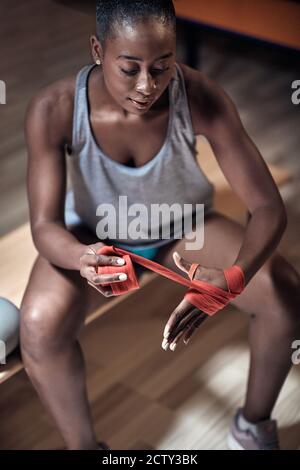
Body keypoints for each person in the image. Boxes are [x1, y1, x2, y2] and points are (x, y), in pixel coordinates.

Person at [21, 0, 300, 450]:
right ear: (97, 49)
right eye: (129, 69)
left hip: (183, 229)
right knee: (38, 325)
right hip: (97, 235)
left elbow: (268, 206)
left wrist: (234, 277)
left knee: (284, 294)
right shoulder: (54, 108)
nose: (147, 85)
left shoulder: (199, 95)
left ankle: (252, 427)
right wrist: (82, 258)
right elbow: (44, 225)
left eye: (162, 66)